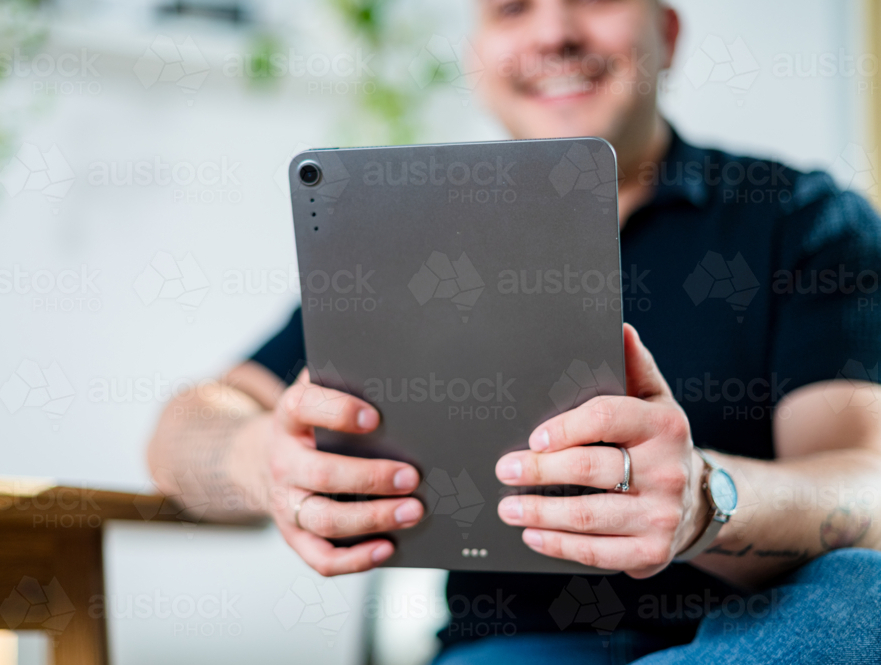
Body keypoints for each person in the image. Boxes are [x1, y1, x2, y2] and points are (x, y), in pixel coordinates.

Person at [147, 0, 881, 662]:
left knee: (865, 594)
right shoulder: (413, 243)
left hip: (761, 636)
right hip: (514, 648)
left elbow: (866, 486)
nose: (554, 32)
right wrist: (256, 456)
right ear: (479, 58)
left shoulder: (801, 220)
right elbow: (183, 429)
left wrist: (703, 500)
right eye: (511, 8)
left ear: (670, 31)